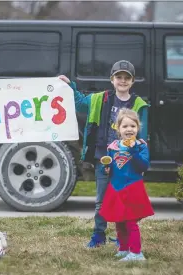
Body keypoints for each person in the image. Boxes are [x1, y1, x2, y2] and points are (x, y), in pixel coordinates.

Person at [58, 60, 149, 248]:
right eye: (119, 77)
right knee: (101, 201)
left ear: (132, 81)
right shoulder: (102, 98)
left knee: (124, 200)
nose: (122, 81)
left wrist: (141, 159)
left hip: (128, 162)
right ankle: (98, 235)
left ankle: (122, 236)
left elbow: (143, 136)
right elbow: (80, 103)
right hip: (104, 158)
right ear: (112, 79)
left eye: (127, 78)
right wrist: (69, 86)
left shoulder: (139, 104)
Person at [99, 108, 154, 261]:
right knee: (119, 221)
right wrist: (107, 168)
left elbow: (143, 166)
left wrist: (134, 150)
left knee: (131, 221)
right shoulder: (113, 147)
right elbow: (111, 168)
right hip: (116, 188)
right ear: (118, 129)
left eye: (133, 126)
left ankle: (136, 253)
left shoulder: (141, 146)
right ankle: (123, 248)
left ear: (138, 128)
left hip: (133, 188)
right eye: (125, 126)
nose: (129, 129)